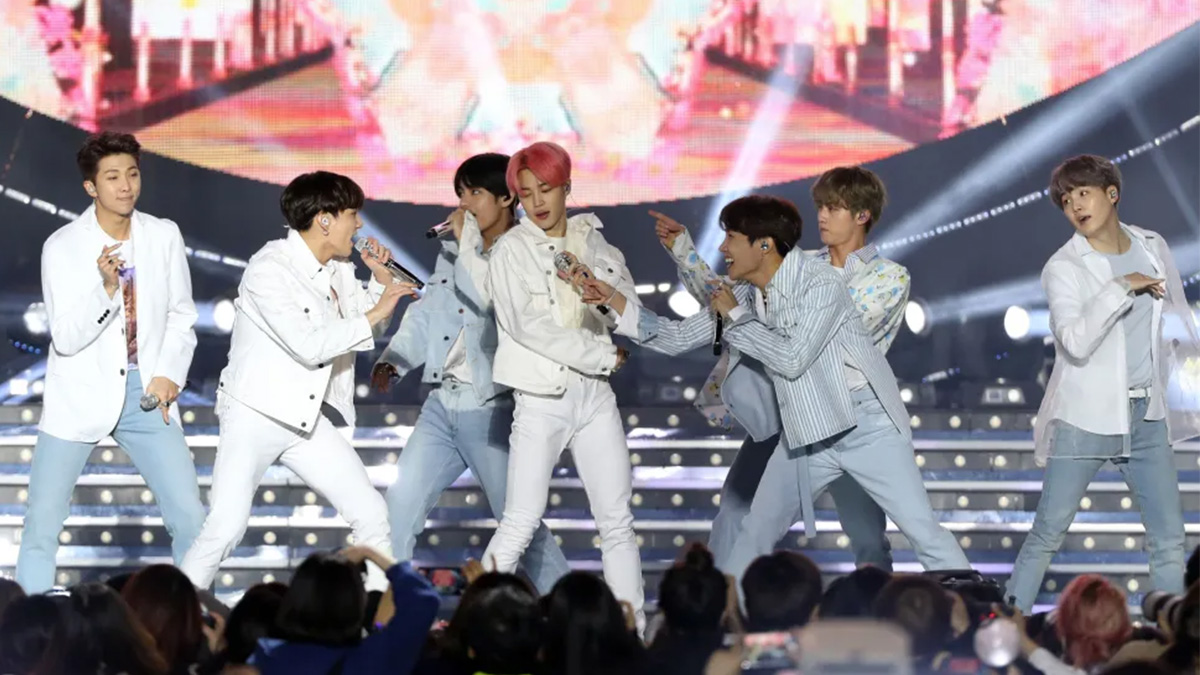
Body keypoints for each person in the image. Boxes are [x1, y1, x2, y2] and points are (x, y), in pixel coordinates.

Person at [580, 194, 969, 584]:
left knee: (920, 533)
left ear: (764, 245)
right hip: (806, 427)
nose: (723, 248)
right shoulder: (746, 292)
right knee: (754, 531)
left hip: (865, 426)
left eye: (731, 237)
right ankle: (726, 614)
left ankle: (977, 609)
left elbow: (792, 358)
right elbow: (677, 337)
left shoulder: (821, 285)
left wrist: (735, 317)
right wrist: (614, 301)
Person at [649, 165, 906, 571]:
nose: (822, 216)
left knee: (867, 538)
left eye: (834, 207)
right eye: (820, 206)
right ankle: (721, 601)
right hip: (785, 412)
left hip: (845, 419)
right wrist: (685, 253)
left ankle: (878, 607)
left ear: (862, 215)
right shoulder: (797, 264)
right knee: (735, 514)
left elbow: (820, 343)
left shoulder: (889, 277)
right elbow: (727, 302)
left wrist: (758, 319)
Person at [179, 171, 418, 592]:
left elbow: (359, 330)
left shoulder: (340, 269)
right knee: (225, 528)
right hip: (254, 413)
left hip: (305, 418)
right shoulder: (269, 268)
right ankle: (175, 610)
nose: (359, 224)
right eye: (352, 214)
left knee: (372, 514)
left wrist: (380, 285)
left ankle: (378, 615)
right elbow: (308, 344)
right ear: (325, 219)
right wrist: (377, 311)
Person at [461, 141, 646, 627]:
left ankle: (633, 630)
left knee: (617, 522)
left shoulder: (598, 246)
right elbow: (529, 328)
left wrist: (600, 297)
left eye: (545, 188)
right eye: (526, 193)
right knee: (520, 520)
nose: (537, 201)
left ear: (567, 186)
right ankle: (474, 625)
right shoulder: (511, 250)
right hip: (542, 398)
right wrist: (603, 355)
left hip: (595, 397)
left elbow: (630, 314)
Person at [1005, 154, 1197, 612]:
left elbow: (1171, 321)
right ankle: (1007, 625)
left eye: (1082, 193)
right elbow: (1074, 342)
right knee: (1048, 532)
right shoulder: (1064, 267)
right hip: (1087, 418)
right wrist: (1120, 287)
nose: (1075, 206)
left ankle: (1173, 634)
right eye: (1065, 200)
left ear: (1112, 193)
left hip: (1146, 416)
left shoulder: (1151, 246)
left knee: (1169, 538)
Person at [17, 131, 206, 593]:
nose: (126, 186)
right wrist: (106, 289)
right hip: (79, 394)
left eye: (133, 174)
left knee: (191, 518)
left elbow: (182, 315)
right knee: (42, 523)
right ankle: (28, 621)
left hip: (147, 394)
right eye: (113, 177)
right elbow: (66, 337)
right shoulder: (63, 246)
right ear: (91, 186)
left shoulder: (163, 235)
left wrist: (168, 375)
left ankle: (195, 618)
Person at [372, 153, 569, 593]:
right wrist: (394, 359)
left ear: (507, 198)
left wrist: (466, 246)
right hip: (442, 404)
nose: (463, 203)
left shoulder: (528, 252)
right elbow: (428, 312)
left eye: (475, 192)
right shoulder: (451, 253)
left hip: (492, 406)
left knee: (519, 525)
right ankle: (385, 611)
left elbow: (491, 301)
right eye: (460, 193)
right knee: (396, 512)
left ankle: (575, 613)